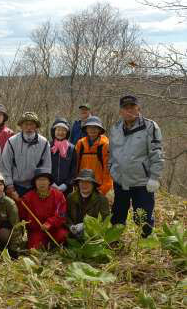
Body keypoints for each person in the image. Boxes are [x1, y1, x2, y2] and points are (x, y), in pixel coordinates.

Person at [109, 95, 164, 238]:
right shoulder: (115, 128)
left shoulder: (149, 126)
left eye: (132, 107)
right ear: (120, 111)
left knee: (143, 217)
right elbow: (112, 153)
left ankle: (146, 243)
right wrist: (112, 169)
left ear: (138, 108)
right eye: (125, 108)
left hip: (142, 182)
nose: (129, 110)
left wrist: (154, 177)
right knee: (118, 215)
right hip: (120, 181)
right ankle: (115, 241)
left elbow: (157, 153)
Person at [2, 112, 52, 200]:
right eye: (26, 124)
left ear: (36, 126)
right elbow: (5, 165)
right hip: (16, 186)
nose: (29, 127)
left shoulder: (44, 143)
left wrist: (43, 186)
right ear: (21, 126)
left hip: (36, 187)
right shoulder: (11, 142)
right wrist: (9, 186)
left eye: (32, 124)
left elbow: (47, 167)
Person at [18, 168, 68, 249]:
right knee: (34, 247)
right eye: (39, 180)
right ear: (35, 183)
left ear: (49, 182)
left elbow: (61, 215)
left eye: (44, 180)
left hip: (54, 229)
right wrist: (34, 225)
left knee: (62, 236)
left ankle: (52, 246)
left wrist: (50, 223)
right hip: (37, 231)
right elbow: (23, 217)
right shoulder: (27, 198)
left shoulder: (59, 196)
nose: (42, 183)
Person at [74, 116, 113, 203]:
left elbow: (108, 169)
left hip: (98, 187)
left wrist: (103, 189)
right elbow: (75, 165)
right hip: (82, 185)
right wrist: (76, 185)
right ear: (86, 129)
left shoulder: (105, 145)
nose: (92, 130)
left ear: (100, 130)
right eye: (90, 127)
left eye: (95, 127)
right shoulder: (80, 144)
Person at [66, 169, 110, 239]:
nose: (84, 185)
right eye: (81, 182)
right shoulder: (70, 197)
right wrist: (71, 226)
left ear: (93, 185)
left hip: (93, 235)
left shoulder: (102, 200)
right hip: (73, 233)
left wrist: (85, 225)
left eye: (88, 182)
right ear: (78, 183)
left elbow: (105, 221)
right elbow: (66, 215)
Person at [50, 118, 78, 197]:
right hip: (50, 186)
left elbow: (73, 170)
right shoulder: (48, 146)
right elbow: (45, 167)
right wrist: (51, 183)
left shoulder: (72, 149)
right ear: (54, 131)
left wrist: (66, 185)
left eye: (63, 130)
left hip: (66, 188)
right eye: (58, 130)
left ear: (67, 132)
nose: (60, 132)